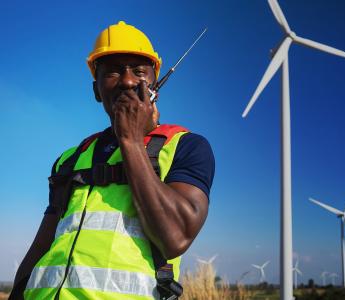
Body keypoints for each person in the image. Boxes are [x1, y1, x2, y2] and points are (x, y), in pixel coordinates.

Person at [10, 21, 215, 299]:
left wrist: (130, 140)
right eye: (114, 71)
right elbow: (41, 246)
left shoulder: (186, 146)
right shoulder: (71, 159)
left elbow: (176, 237)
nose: (128, 81)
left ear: (154, 84)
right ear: (96, 90)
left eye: (139, 71)